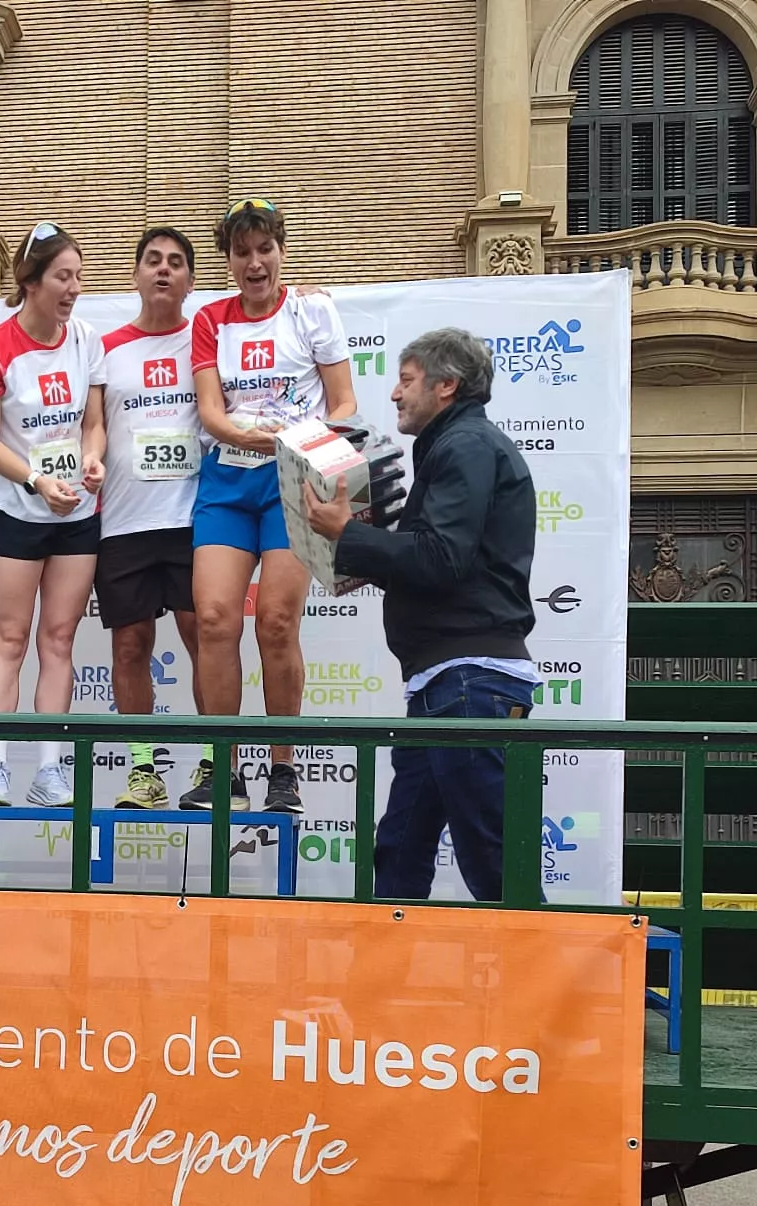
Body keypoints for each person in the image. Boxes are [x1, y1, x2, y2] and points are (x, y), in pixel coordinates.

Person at [304, 327, 536, 902]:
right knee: (401, 849)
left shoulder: (468, 447)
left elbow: (440, 558)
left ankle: (561, 990)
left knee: (492, 859)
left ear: (447, 386)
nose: (394, 395)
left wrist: (348, 538)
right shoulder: (453, 449)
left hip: (470, 683)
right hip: (443, 684)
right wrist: (360, 557)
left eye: (406, 381)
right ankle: (384, 982)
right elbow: (440, 561)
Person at [188, 198, 356, 814]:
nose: (255, 263)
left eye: (265, 249)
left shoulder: (312, 310)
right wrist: (246, 437)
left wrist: (297, 443)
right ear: (228, 258)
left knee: (278, 622)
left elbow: (342, 403)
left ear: (282, 250)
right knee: (213, 619)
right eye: (242, 252)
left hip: (293, 481)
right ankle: (221, 765)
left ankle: (282, 770)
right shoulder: (211, 319)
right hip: (227, 483)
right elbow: (209, 411)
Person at [0, 222, 106, 808]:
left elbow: (94, 423)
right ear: (31, 281)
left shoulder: (86, 339)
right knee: (10, 636)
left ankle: (51, 769)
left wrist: (92, 460)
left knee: (60, 637)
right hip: (20, 512)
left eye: (78, 277)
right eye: (61, 277)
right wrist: (36, 480)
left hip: (78, 513)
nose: (72, 289)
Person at [95, 228, 203, 808]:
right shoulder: (106, 349)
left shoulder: (206, 342)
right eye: (153, 261)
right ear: (135, 274)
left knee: (203, 639)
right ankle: (143, 770)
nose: (164, 271)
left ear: (190, 280)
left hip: (193, 519)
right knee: (131, 645)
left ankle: (215, 763)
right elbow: (90, 429)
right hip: (124, 525)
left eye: (177, 263)